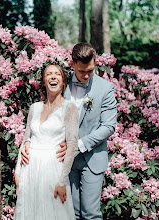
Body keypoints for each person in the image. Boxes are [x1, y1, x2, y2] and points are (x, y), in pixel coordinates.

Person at [21, 43, 117, 219]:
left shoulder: (106, 89)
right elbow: (43, 116)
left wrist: (78, 145)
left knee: (90, 214)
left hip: (91, 159)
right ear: (72, 64)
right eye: (82, 71)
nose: (87, 75)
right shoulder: (60, 83)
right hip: (61, 161)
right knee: (68, 213)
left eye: (90, 70)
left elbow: (109, 126)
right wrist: (28, 141)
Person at [14, 63, 79, 220]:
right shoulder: (34, 108)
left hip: (53, 170)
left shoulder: (69, 108)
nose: (53, 76)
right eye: (49, 74)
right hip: (30, 170)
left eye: (57, 74)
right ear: (44, 81)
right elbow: (26, 139)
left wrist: (62, 181)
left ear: (63, 82)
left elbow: (72, 146)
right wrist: (17, 172)